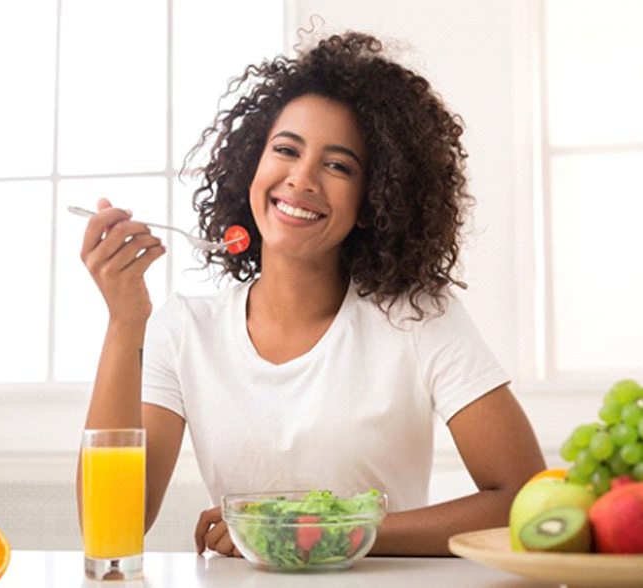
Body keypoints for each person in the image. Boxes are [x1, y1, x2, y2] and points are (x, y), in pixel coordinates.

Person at [75, 31, 545, 557]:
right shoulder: (184, 329)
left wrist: (324, 533)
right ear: (253, 164)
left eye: (338, 165)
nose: (301, 178)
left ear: (374, 201)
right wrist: (124, 321)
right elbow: (110, 526)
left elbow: (522, 497)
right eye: (286, 150)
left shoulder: (417, 319)